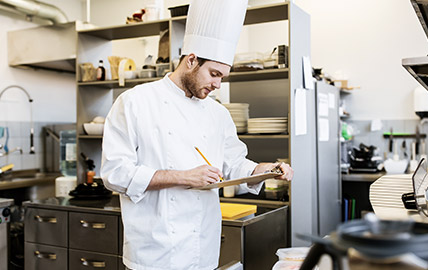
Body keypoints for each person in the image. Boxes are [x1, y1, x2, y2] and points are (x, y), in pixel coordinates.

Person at [101, 0, 293, 269]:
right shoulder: (134, 102)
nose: (217, 84)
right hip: (155, 251)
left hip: (203, 247)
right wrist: (183, 176)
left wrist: (264, 170)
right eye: (214, 74)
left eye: (223, 77)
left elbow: (234, 164)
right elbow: (115, 174)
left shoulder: (218, 113)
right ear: (191, 60)